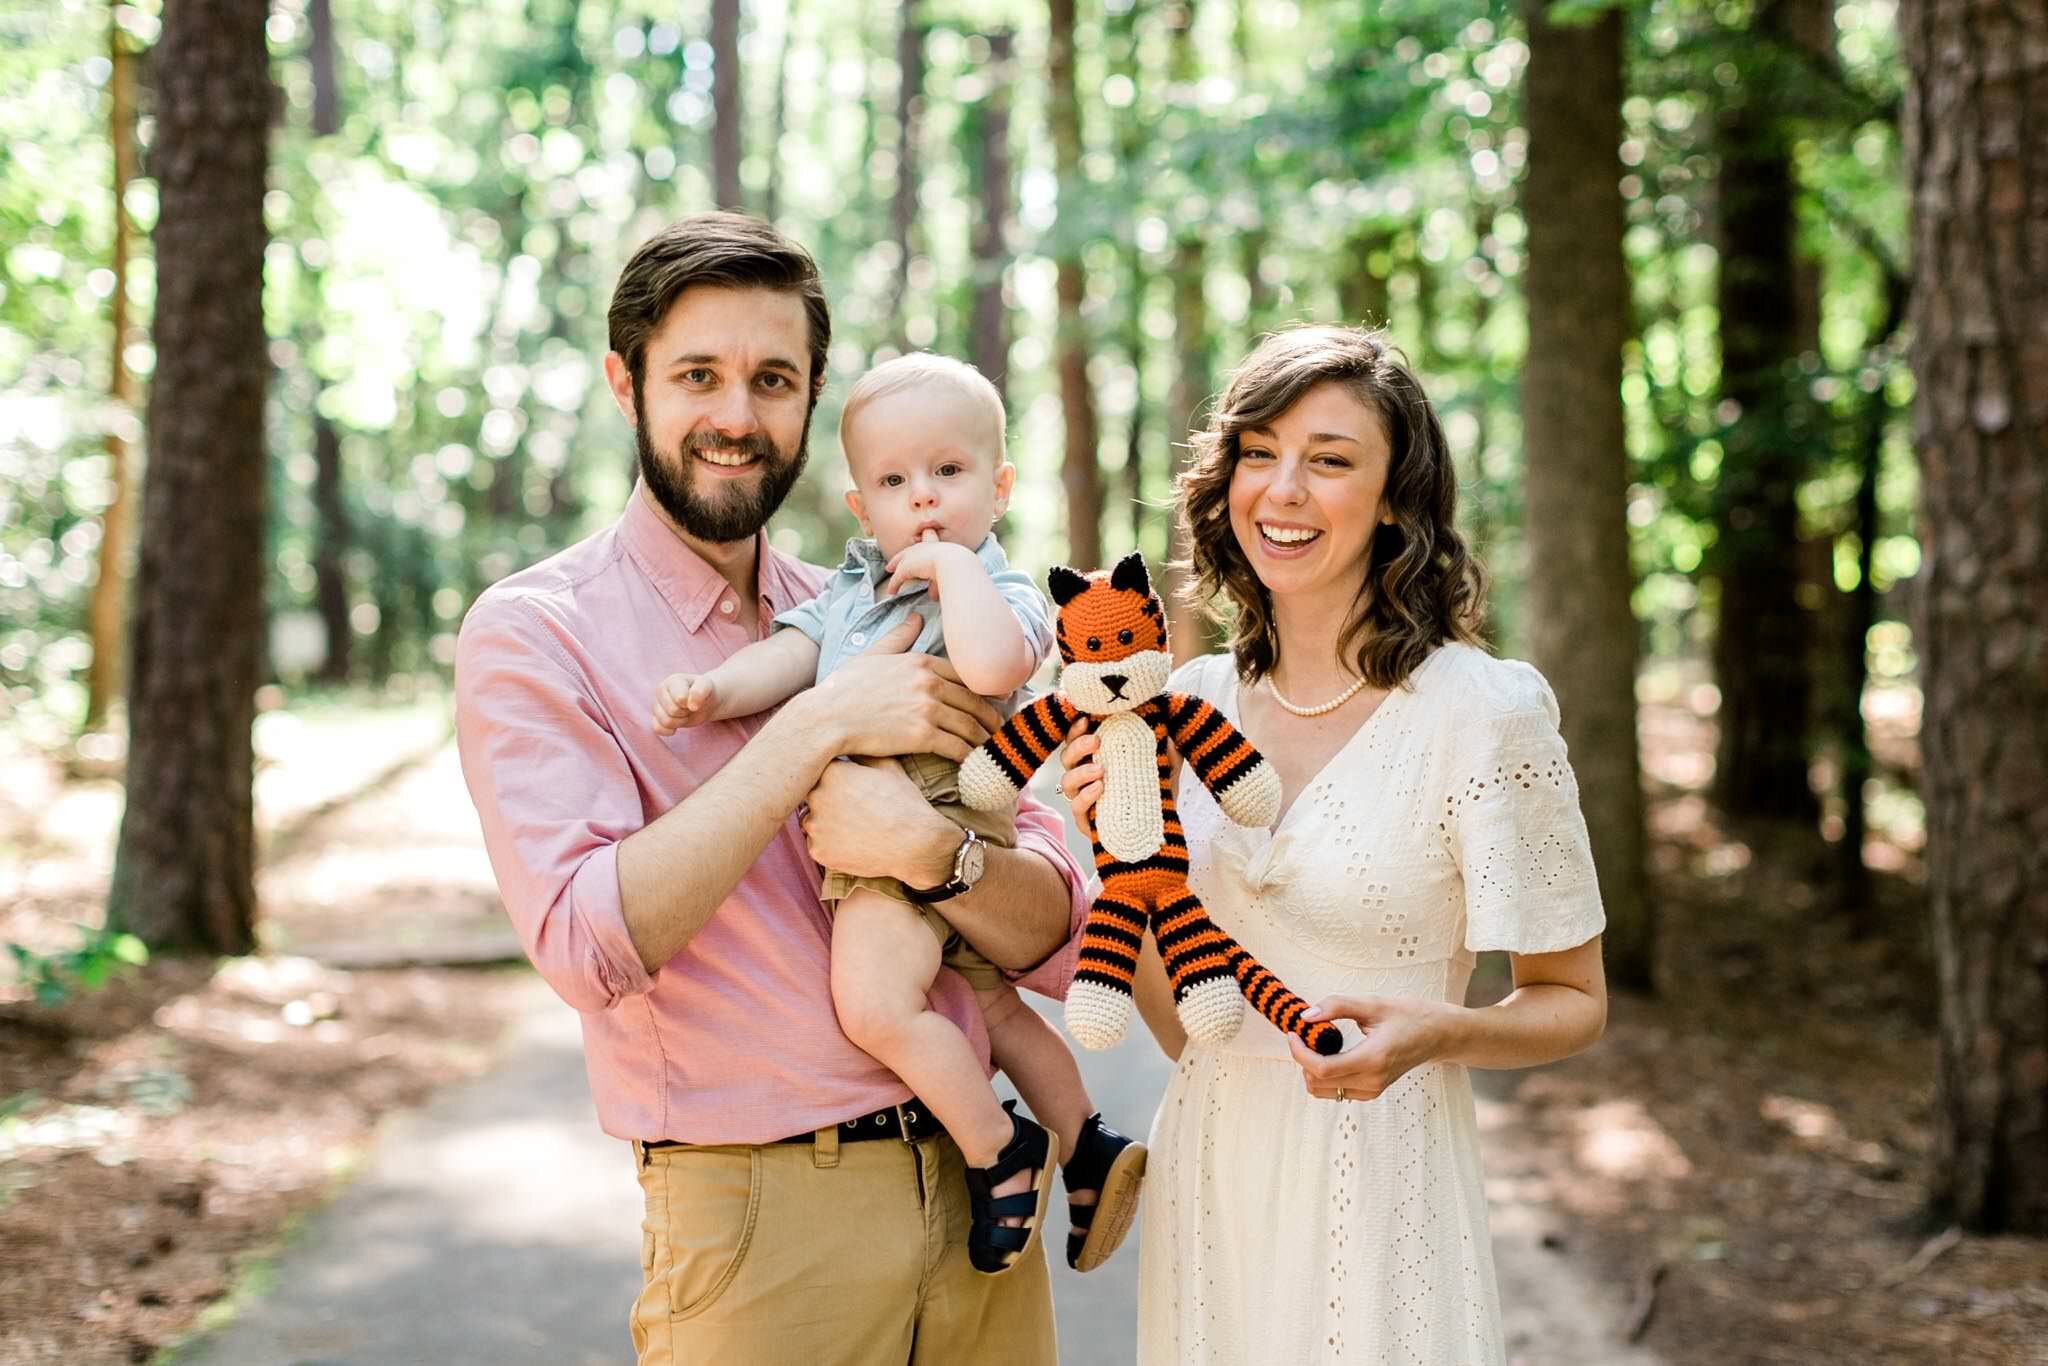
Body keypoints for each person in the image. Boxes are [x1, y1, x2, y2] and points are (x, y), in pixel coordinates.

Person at [454, 212, 1091, 1366]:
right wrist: (811, 729)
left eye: (773, 379)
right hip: (762, 1235)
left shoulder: (896, 605)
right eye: (698, 374)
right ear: (625, 381)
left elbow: (1058, 929)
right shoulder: (536, 633)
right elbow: (588, 949)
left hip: (977, 1202)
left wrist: (934, 856)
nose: (736, 416)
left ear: (810, 404)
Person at [1060, 324, 1610, 1364]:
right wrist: (1118, 867)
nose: (1282, 490)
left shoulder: (1481, 713)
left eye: (1329, 459)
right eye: (1258, 453)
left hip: (1389, 1190)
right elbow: (1187, 1032)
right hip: (1212, 1181)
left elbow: (1572, 1000)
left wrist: (1435, 1032)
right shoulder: (1179, 708)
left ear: (1396, 496)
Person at [648, 351, 1145, 1277]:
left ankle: (1001, 1151)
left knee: (875, 1006)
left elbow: (998, 669)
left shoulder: (1003, 591)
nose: (922, 498)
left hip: (938, 813)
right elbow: (788, 665)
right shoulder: (846, 594)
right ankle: (1088, 1141)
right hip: (875, 826)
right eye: (894, 480)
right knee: (985, 1002)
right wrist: (712, 690)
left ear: (996, 487)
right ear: (860, 507)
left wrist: (954, 568)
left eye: (948, 473)